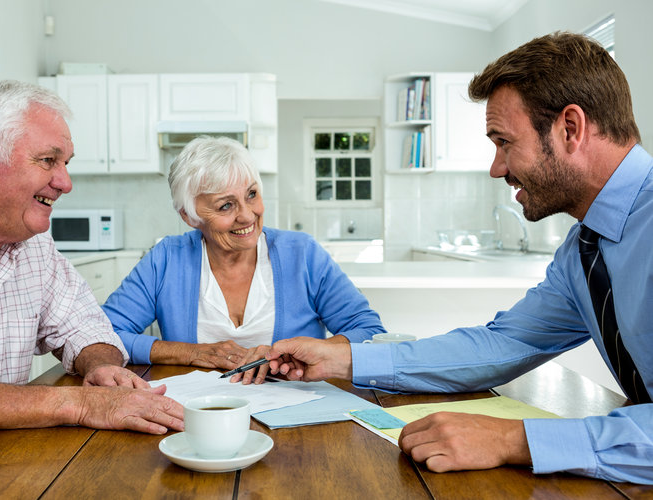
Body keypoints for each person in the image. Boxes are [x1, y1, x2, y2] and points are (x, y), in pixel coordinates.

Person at [266, 32, 653, 485]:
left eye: (504, 142)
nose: (496, 167)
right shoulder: (583, 252)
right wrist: (344, 360)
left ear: (570, 128)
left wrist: (514, 440)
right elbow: (500, 346)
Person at [0, 80, 183, 465]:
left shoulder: (31, 242)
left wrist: (100, 366)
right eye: (48, 160)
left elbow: (85, 324)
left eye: (66, 163)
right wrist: (82, 404)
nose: (65, 182)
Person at [102, 136, 385, 384]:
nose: (247, 215)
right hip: (200, 415)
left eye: (251, 195)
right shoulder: (165, 259)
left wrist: (297, 351)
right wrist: (193, 353)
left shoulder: (302, 254)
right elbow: (103, 334)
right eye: (226, 205)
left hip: (298, 418)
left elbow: (370, 333)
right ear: (190, 217)